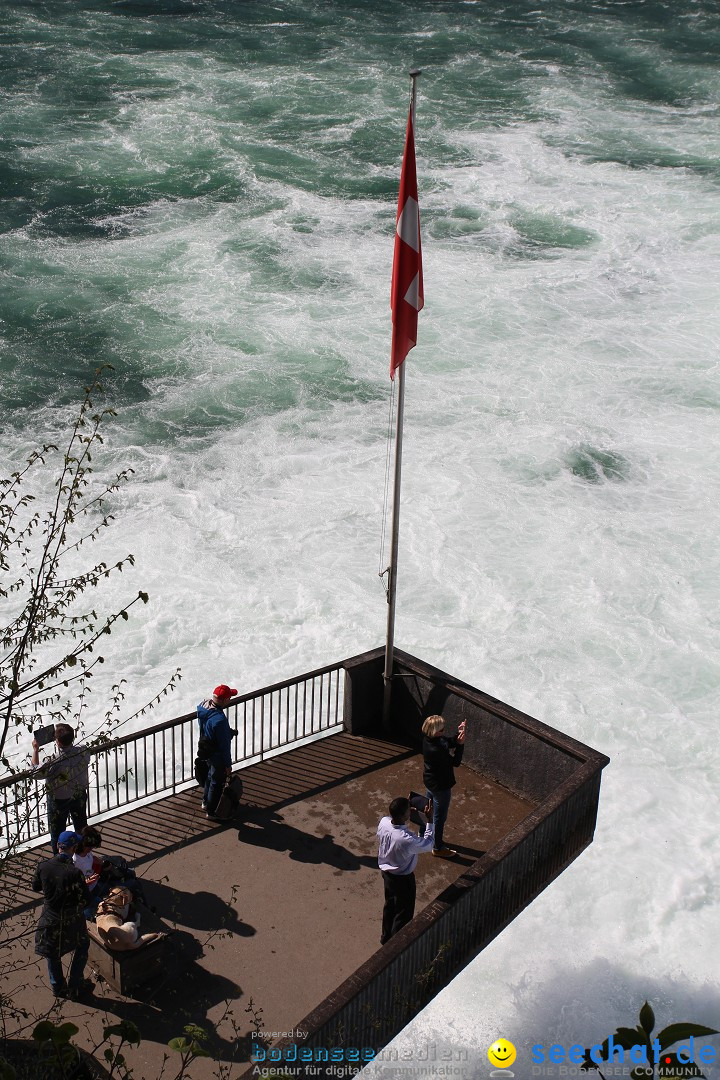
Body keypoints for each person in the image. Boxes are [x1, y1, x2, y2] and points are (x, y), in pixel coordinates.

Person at [32, 830, 93, 1000]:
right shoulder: (74, 873)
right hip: (71, 919)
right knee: (82, 945)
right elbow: (86, 900)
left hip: (49, 918)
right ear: (73, 847)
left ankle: (58, 987)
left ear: (59, 846)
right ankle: (75, 985)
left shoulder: (43, 866)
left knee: (52, 952)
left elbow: (35, 886)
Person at [377, 796, 434, 945]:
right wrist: (430, 820)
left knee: (390, 905)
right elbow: (428, 844)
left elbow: (396, 812)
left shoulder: (384, 822)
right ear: (404, 815)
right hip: (403, 879)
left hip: (387, 874)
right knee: (403, 914)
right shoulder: (406, 839)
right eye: (409, 810)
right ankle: (395, 946)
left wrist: (406, 806)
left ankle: (385, 937)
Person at [31, 724, 91, 855]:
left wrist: (35, 750)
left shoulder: (53, 761)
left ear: (57, 741)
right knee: (81, 826)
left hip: (59, 800)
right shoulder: (84, 750)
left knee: (57, 832)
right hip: (79, 793)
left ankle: (59, 859)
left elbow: (36, 773)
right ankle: (83, 854)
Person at [421, 714, 466, 859]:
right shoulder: (437, 750)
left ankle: (423, 835)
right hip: (441, 787)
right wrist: (460, 744)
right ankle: (438, 847)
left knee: (427, 809)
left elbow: (446, 741)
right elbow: (455, 762)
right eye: (442, 729)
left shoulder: (428, 740)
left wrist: (457, 736)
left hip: (430, 782)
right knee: (439, 817)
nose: (444, 732)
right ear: (435, 731)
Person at [196, 683, 237, 820]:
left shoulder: (204, 706)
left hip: (206, 748)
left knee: (209, 776)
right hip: (217, 755)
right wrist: (228, 765)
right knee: (217, 782)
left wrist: (226, 732)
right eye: (229, 697)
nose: (230, 700)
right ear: (224, 700)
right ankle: (212, 812)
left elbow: (210, 728)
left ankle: (205, 802)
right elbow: (224, 746)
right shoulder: (219, 720)